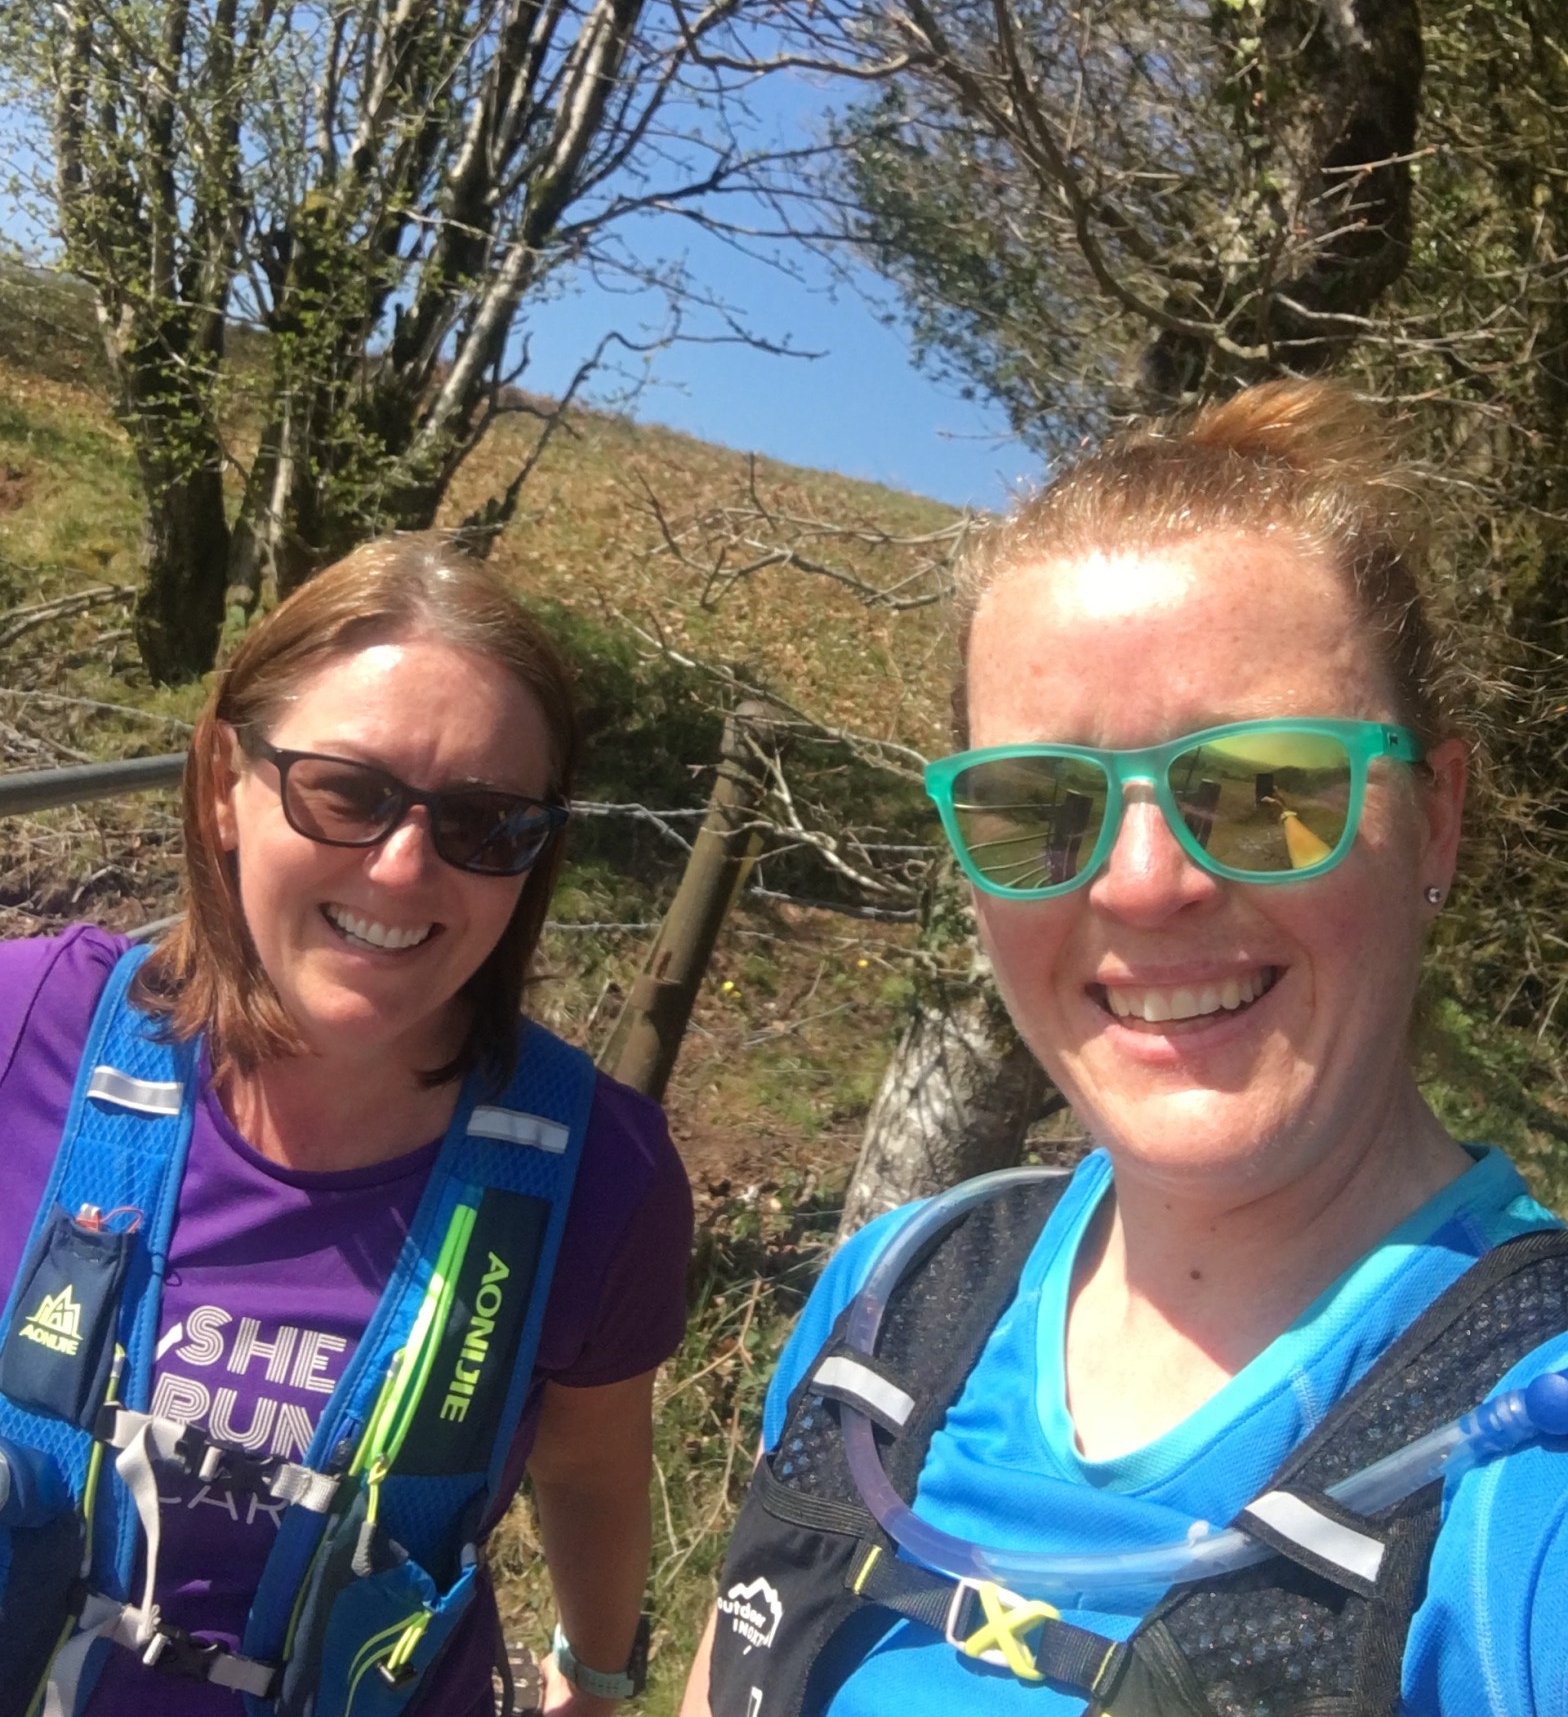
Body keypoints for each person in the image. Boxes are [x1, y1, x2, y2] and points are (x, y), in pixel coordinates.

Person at [682, 379, 1568, 1717]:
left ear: (1434, 816)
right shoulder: (894, 1300)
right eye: (1037, 804)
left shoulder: (1527, 1475)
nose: (1144, 882)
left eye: (1269, 788)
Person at [0, 535, 691, 1716]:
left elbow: (589, 1461)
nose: (402, 868)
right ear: (224, 784)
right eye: (346, 792)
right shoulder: (30, 1026)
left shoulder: (599, 1177)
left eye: (483, 822)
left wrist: (595, 1680)